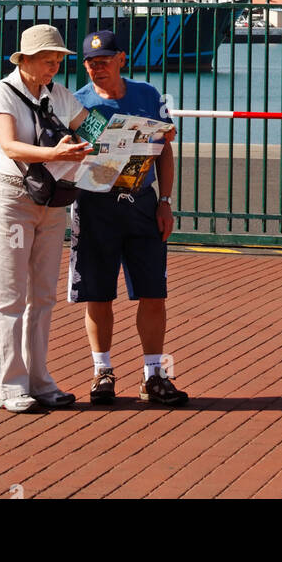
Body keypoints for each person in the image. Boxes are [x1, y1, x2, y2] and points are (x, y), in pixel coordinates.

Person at [69, 29, 189, 407]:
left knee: (153, 293)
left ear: (121, 58)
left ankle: (154, 376)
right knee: (97, 293)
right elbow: (82, 160)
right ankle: (102, 372)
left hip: (142, 205)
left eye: (104, 60)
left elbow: (164, 149)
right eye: (90, 63)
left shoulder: (148, 95)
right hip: (94, 205)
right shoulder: (78, 104)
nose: (97, 68)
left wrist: (165, 200)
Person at [0, 23, 91, 413]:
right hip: (13, 199)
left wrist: (139, 138)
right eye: (47, 62)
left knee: (44, 295)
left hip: (53, 202)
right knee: (10, 297)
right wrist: (56, 156)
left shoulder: (60, 96)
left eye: (58, 62)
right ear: (24, 60)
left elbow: (93, 129)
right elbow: (10, 144)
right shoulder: (1, 93)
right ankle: (10, 385)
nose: (53, 70)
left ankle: (40, 380)